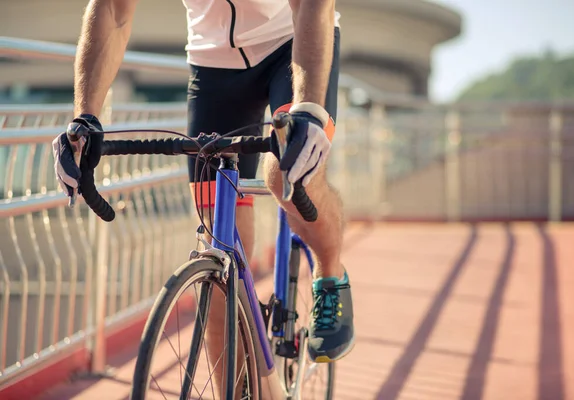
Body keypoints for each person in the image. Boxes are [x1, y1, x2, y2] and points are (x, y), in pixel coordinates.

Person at [52, 0, 354, 388]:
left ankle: (331, 275)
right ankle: (243, 389)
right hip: (215, 64)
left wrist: (310, 108)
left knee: (286, 178)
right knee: (219, 241)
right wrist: (85, 117)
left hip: (292, 40)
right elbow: (112, 10)